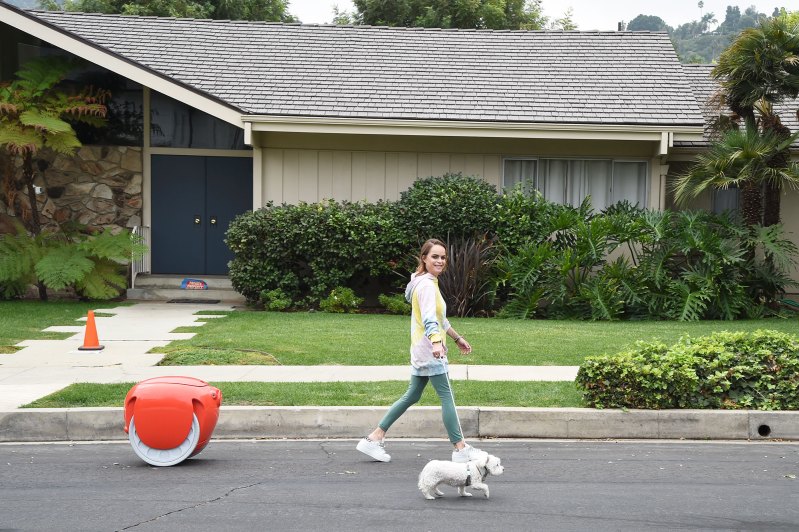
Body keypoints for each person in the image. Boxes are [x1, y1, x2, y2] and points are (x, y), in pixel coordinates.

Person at [356, 238, 486, 463]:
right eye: (435, 256)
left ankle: (374, 438)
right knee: (447, 396)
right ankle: (460, 448)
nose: (440, 261)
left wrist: (456, 338)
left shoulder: (426, 282)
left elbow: (440, 319)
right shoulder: (426, 285)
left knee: (412, 395)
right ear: (424, 258)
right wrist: (436, 342)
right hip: (430, 350)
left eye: (443, 257)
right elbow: (429, 319)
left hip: (422, 349)